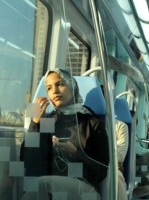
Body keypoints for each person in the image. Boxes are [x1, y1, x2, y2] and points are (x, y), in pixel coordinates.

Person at [20, 69, 109, 199]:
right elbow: (28, 162)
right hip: (47, 188)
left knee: (42, 184)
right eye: (49, 88)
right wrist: (35, 124)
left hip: (83, 188)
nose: (54, 91)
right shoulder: (47, 121)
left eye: (60, 84)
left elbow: (100, 172)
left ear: (72, 87)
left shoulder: (92, 123)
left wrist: (75, 153)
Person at [115, 119, 129, 200]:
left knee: (117, 178)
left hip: (110, 165)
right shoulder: (83, 122)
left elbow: (120, 156)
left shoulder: (120, 126)